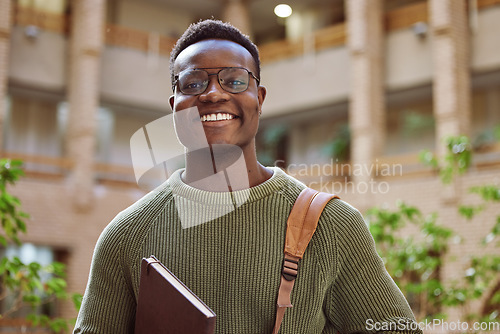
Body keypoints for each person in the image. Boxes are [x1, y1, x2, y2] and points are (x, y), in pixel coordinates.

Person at [74, 19, 422, 334]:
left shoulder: (330, 226)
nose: (213, 93)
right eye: (193, 83)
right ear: (174, 106)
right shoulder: (126, 236)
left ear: (260, 98)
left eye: (235, 80)